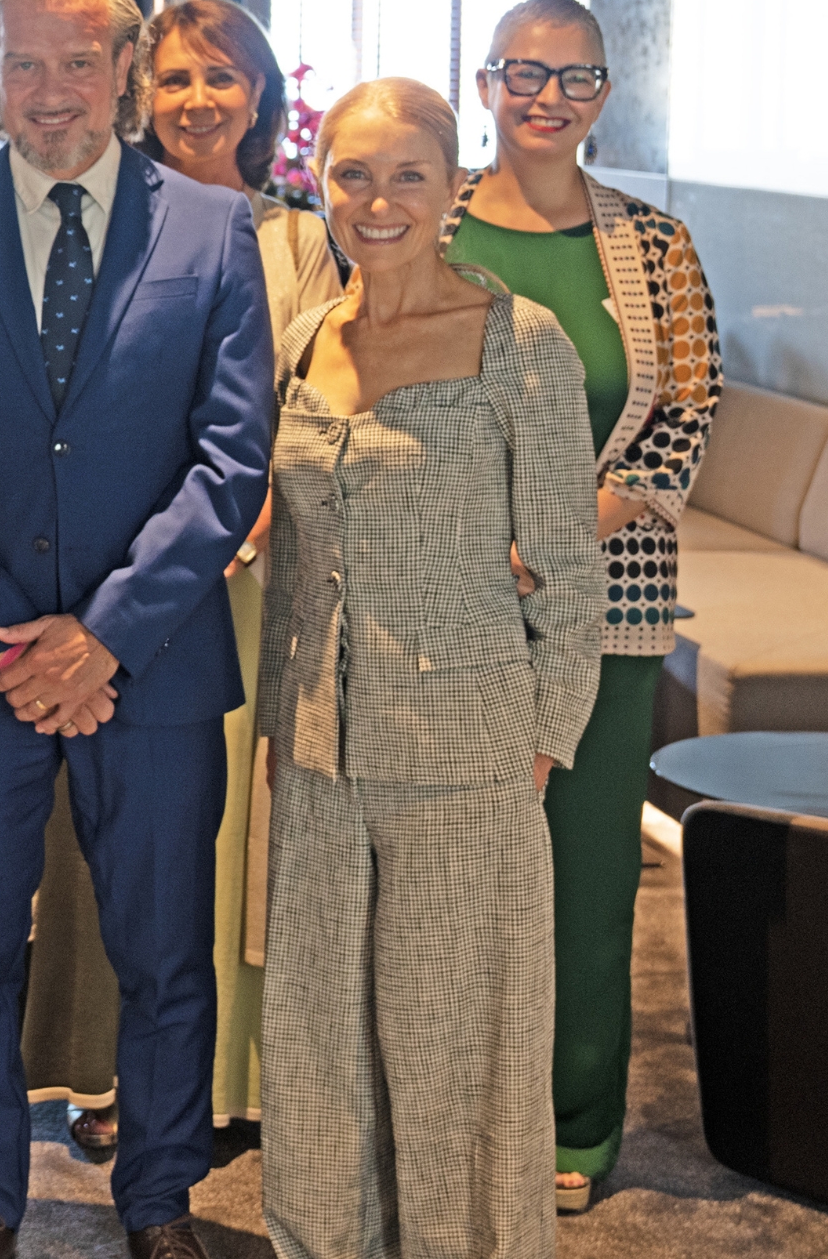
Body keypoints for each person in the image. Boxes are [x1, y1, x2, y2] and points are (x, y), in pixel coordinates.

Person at [0, 0, 272, 1259]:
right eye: (23, 61)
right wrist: (2, 632)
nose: (50, 89)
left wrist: (105, 635)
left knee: (163, 951)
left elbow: (231, 456)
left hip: (149, 664)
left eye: (77, 60)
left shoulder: (213, 233)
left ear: (124, 73)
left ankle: (156, 1196)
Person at [256, 76, 604, 1259]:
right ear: (320, 182)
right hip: (317, 753)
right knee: (312, 1042)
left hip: (468, 757)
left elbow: (565, 566)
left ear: (455, 188)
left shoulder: (522, 346)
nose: (379, 199)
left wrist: (545, 738)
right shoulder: (307, 338)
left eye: (409, 173)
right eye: (353, 173)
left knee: (452, 1044)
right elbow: (291, 567)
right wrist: (273, 727)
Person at [24, 0, 344, 1154]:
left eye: (223, 76)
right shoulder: (99, 224)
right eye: (174, 79)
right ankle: (114, 1072)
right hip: (122, 581)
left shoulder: (304, 238)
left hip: (257, 575)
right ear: (133, 95)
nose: (199, 99)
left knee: (237, 831)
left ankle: (230, 1085)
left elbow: (312, 407)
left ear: (259, 95)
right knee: (117, 830)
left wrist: (243, 519)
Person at [442, 0, 721, 1214]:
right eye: (522, 73)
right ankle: (450, 1105)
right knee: (448, 866)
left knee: (586, 870)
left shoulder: (655, 246)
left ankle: (576, 1122)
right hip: (440, 600)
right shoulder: (426, 221)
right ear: (485, 81)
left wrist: (555, 540)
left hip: (606, 606)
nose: (545, 98)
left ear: (604, 94)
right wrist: (471, 543)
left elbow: (685, 415)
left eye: (573, 79)